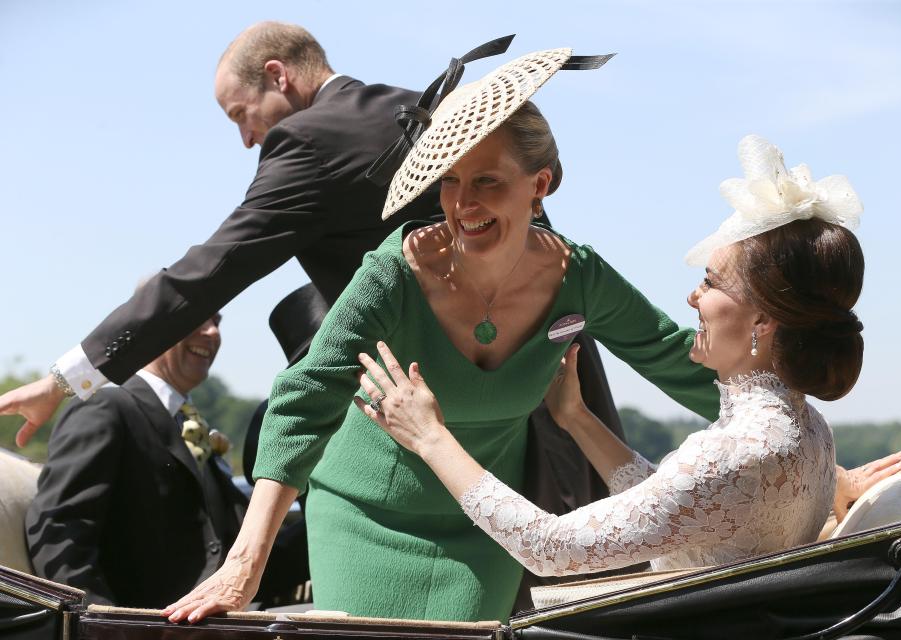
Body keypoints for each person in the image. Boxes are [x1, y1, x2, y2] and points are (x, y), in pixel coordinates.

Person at [0, 28, 630, 596]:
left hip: (433, 451)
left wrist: (67, 378)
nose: (247, 137)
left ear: (279, 76)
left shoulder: (308, 140)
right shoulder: (427, 105)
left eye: (241, 115)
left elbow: (208, 271)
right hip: (553, 412)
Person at [163, 48, 720, 625]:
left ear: (540, 185)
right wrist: (245, 562)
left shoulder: (578, 277)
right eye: (450, 181)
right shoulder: (395, 271)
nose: (463, 204)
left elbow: (680, 363)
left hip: (486, 523)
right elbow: (303, 401)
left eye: (486, 181)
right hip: (363, 516)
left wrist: (788, 430)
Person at [358, 134, 881, 579]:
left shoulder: (739, 449)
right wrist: (578, 419)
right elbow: (680, 506)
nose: (693, 298)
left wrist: (430, 435)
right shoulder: (807, 429)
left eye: (710, 281)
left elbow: (551, 549)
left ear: (762, 321)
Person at [24, 313, 248, 607]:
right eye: (199, 317)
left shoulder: (195, 429)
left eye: (217, 321)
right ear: (150, 327)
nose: (212, 332)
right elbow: (59, 533)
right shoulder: (105, 407)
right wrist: (107, 626)